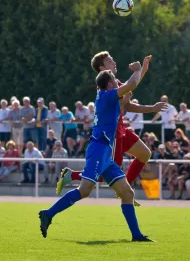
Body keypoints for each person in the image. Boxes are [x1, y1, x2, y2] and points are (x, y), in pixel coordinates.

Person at [39, 59, 153, 242]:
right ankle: (48, 213)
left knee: (127, 193)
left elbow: (127, 94)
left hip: (106, 152)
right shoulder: (107, 95)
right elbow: (131, 84)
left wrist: (141, 74)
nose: (117, 83)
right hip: (99, 149)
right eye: (115, 81)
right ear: (110, 84)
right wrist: (138, 69)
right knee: (85, 190)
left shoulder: (107, 96)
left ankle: (137, 235)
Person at [57, 52, 167, 199]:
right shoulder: (105, 88)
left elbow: (128, 97)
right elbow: (130, 88)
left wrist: (143, 70)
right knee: (108, 174)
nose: (114, 62)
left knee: (144, 153)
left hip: (121, 130)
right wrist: (139, 70)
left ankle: (125, 191)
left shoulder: (113, 83)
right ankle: (72, 175)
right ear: (102, 68)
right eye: (110, 61)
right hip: (112, 134)